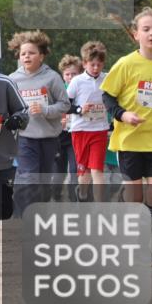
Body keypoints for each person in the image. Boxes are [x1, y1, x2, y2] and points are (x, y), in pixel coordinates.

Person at [101, 7, 152, 266]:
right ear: (136, 34)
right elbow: (108, 96)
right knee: (135, 194)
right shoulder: (125, 64)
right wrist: (123, 115)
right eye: (146, 29)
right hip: (130, 139)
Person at [8, 30, 71, 213]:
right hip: (25, 137)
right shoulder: (13, 79)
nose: (26, 56)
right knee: (29, 176)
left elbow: (65, 105)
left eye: (31, 52)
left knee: (43, 178)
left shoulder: (52, 78)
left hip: (49, 137)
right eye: (23, 53)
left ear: (41, 56)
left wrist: (46, 110)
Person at [0, 29, 29, 275]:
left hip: (1, 159)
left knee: (0, 210)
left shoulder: (4, 83)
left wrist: (16, 120)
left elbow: (24, 112)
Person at [68, 42, 109, 202]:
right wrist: (79, 109)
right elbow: (66, 105)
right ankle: (83, 194)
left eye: (99, 65)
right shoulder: (77, 81)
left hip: (100, 129)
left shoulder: (107, 79)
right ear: (84, 63)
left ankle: (100, 207)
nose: (96, 68)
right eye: (92, 64)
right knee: (83, 173)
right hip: (80, 130)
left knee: (97, 170)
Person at [54, 54, 83, 201]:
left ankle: (74, 199)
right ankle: (56, 195)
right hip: (60, 135)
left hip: (76, 134)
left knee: (74, 169)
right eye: (67, 74)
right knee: (59, 170)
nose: (70, 77)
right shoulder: (58, 90)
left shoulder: (82, 89)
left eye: (74, 74)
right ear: (62, 75)